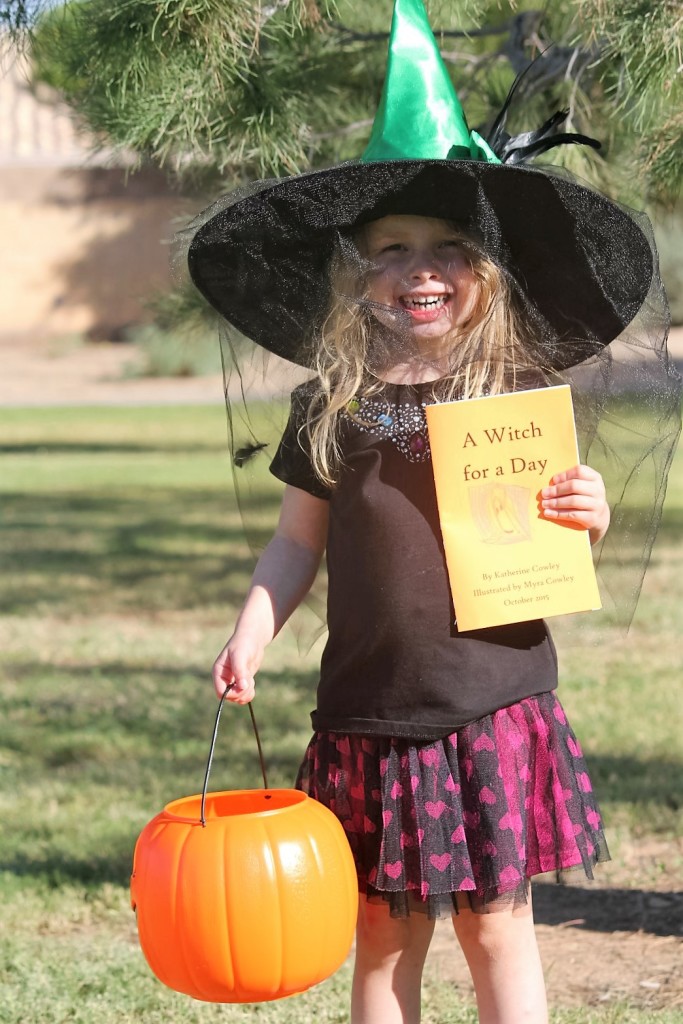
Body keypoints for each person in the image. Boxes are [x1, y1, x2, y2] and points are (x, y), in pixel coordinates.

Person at [185, 3, 680, 1022]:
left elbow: (554, 519)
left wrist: (581, 512)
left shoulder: (513, 399)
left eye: (447, 247)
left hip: (490, 704)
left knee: (496, 924)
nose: (420, 268)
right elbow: (294, 542)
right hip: (367, 714)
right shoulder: (331, 405)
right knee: (380, 932)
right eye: (392, 247)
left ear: (482, 273)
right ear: (356, 274)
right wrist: (250, 627)